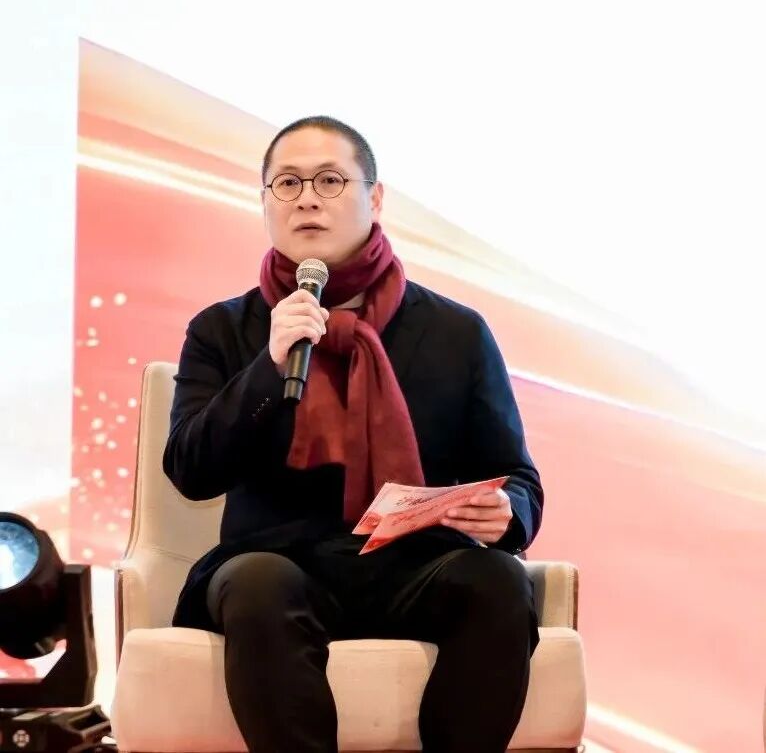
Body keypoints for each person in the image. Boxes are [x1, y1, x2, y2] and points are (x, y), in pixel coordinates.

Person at [163, 115, 544, 753]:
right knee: (256, 583)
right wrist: (268, 368)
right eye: (287, 183)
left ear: (376, 198)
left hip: (416, 567)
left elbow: (520, 480)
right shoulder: (223, 330)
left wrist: (506, 512)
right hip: (278, 565)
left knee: (500, 582)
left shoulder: (455, 332)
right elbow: (191, 471)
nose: (307, 199)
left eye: (330, 180)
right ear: (265, 203)